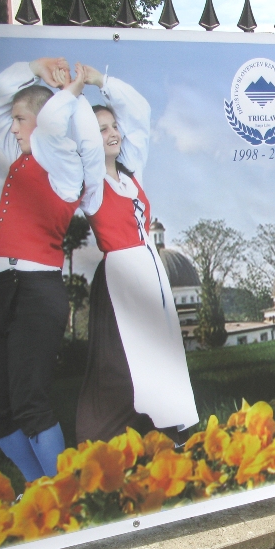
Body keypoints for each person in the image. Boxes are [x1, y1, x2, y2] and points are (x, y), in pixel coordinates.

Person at [0, 59, 103, 482]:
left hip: (37, 292)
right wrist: (33, 68)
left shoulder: (65, 166)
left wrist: (69, 92)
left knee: (30, 403)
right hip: (5, 289)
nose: (12, 127)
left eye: (19, 119)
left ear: (41, 119)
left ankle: (66, 500)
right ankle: (38, 488)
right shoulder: (20, 154)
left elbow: (49, 125)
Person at [74, 65, 198, 444]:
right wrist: (76, 94)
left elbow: (140, 113)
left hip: (150, 270)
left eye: (113, 126)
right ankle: (110, 438)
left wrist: (101, 81)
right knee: (122, 359)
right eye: (101, 130)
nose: (113, 133)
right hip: (120, 277)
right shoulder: (92, 185)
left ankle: (171, 429)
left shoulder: (130, 175)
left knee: (160, 351)